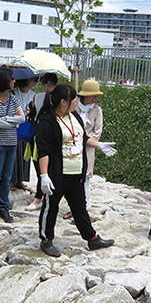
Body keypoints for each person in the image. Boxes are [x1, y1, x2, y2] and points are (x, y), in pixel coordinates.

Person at [35, 84, 116, 257]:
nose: (76, 102)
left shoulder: (74, 117)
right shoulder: (47, 121)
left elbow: (83, 138)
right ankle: (45, 240)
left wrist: (100, 145)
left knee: (79, 207)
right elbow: (44, 150)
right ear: (63, 102)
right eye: (73, 99)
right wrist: (44, 176)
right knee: (51, 207)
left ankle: (92, 238)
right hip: (57, 173)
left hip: (75, 172)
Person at [0, 66, 25, 223]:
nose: (14, 81)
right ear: (4, 81)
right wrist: (12, 121)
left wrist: (7, 119)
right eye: (11, 78)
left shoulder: (13, 98)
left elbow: (22, 119)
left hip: (11, 144)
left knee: (7, 178)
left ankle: (4, 207)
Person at [63, 79, 105, 220]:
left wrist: (85, 140)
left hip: (88, 148)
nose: (95, 98)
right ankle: (73, 208)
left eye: (96, 95)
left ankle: (83, 208)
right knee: (72, 178)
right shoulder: (75, 108)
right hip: (71, 147)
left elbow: (97, 132)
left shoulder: (97, 110)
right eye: (92, 95)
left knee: (86, 178)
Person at [26, 72, 59, 211]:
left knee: (52, 167)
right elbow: (32, 114)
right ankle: (39, 197)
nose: (47, 87)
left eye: (50, 84)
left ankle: (47, 195)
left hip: (53, 135)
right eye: (45, 84)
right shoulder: (38, 97)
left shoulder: (59, 98)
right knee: (39, 164)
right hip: (38, 133)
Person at [11, 68, 39, 191]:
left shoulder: (34, 95)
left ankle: (20, 180)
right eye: (32, 80)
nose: (33, 83)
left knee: (25, 155)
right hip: (15, 126)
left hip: (27, 127)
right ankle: (12, 180)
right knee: (15, 155)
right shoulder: (13, 93)